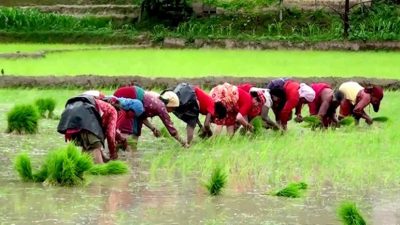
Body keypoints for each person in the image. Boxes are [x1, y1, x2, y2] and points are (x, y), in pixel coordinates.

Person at [114, 86, 187, 147]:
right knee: (128, 129)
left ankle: (129, 150)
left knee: (136, 130)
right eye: (173, 108)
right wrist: (183, 143)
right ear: (170, 105)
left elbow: (142, 116)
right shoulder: (161, 107)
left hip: (131, 94)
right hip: (130, 95)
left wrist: (153, 129)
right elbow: (171, 129)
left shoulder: (156, 99)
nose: (172, 111)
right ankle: (119, 149)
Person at [57, 94, 118, 164]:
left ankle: (82, 166)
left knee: (86, 144)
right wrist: (113, 153)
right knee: (96, 145)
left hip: (69, 114)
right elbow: (110, 134)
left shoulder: (96, 102)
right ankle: (101, 169)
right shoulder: (112, 109)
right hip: (84, 115)